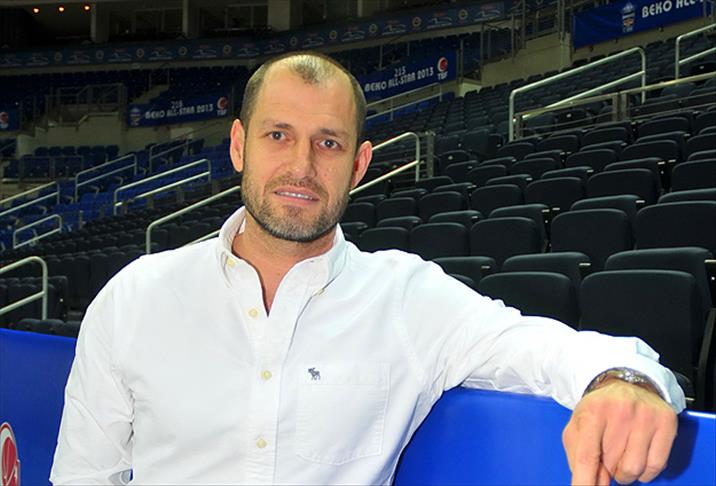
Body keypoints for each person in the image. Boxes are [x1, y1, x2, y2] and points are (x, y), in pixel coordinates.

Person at [50, 51, 684, 486]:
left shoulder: (405, 298)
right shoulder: (135, 298)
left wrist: (624, 379)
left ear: (358, 165)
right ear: (239, 146)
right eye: (278, 135)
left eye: (328, 142)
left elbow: (540, 346)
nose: (302, 166)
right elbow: (84, 475)